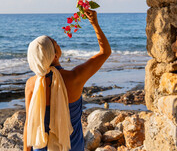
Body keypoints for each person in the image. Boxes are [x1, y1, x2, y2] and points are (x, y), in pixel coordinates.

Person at [23, 10, 111, 151]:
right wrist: (94, 23)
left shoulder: (31, 84)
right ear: (55, 56)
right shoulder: (75, 77)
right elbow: (105, 52)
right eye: (56, 44)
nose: (59, 45)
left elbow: (29, 124)